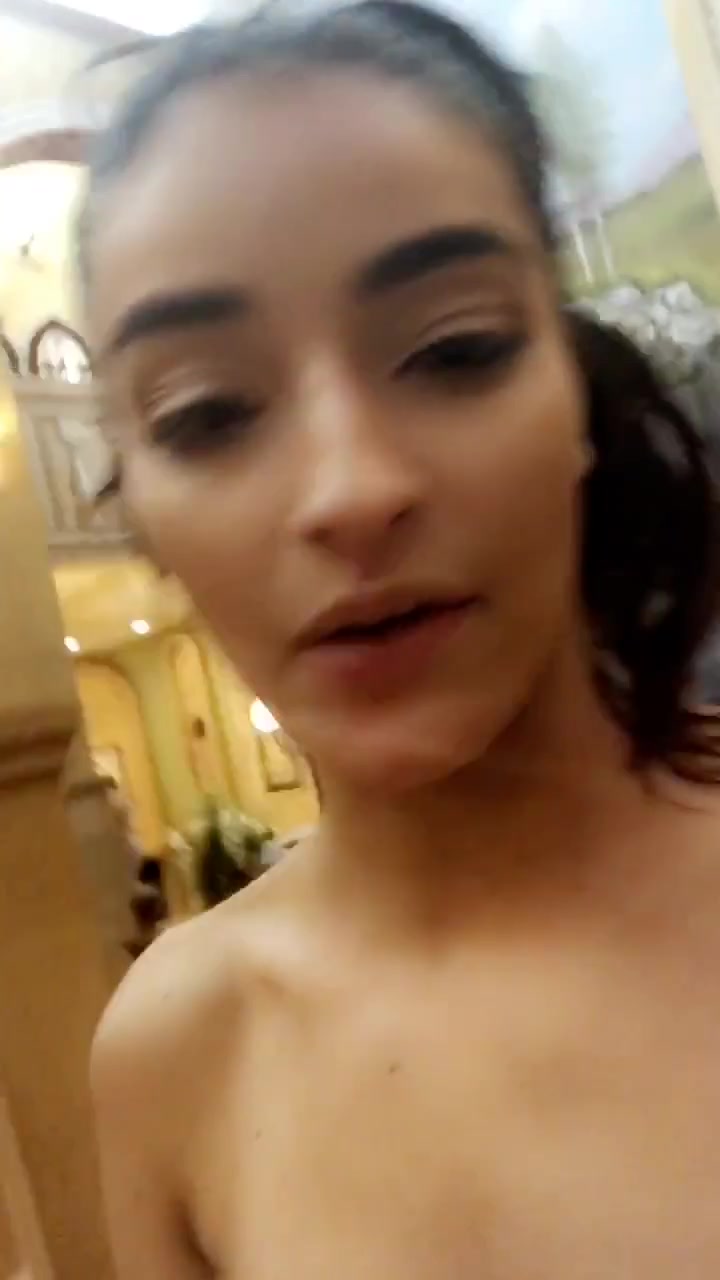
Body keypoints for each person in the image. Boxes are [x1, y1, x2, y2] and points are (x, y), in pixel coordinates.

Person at [82, 4, 720, 1276]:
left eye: (456, 348)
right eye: (207, 414)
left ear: (574, 398)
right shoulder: (177, 1051)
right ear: (144, 519)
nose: (352, 488)